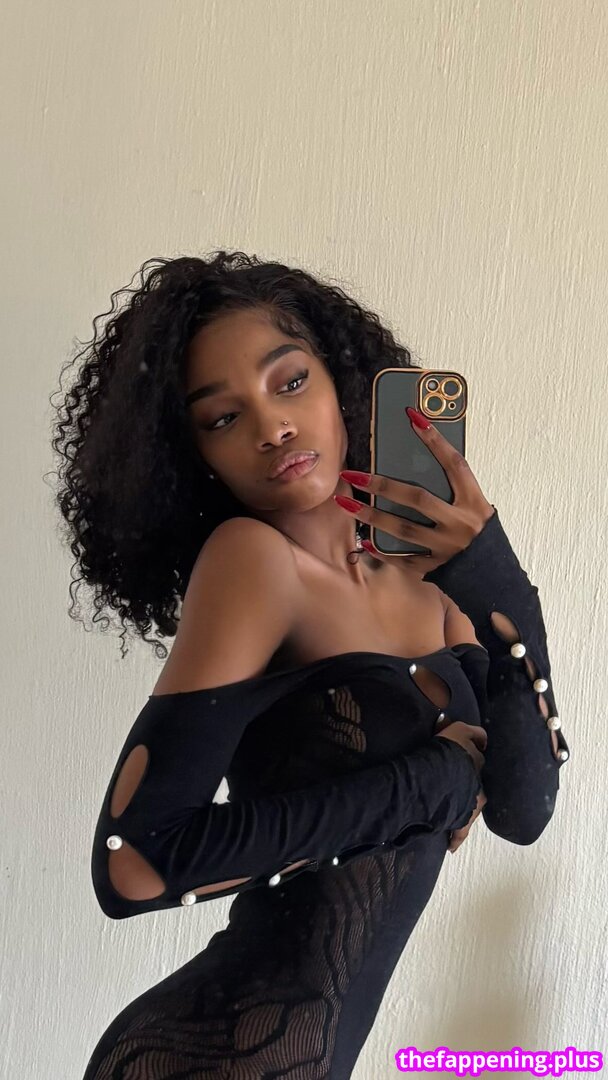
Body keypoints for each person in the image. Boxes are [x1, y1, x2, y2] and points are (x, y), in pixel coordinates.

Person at [50, 251, 569, 1079]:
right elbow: (135, 866)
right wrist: (432, 783)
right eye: (223, 417)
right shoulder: (253, 561)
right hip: (206, 1059)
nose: (272, 428)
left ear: (341, 383)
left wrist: (495, 575)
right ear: (195, 454)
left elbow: (524, 808)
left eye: (289, 382)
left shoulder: (431, 583)